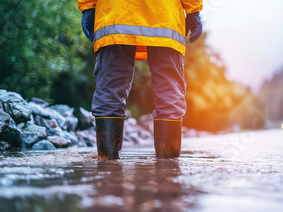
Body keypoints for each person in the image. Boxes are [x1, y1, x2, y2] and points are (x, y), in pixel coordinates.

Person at [77, 0, 203, 159]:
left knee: (110, 89)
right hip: (164, 17)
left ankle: (106, 164)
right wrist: (193, 10)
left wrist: (87, 6)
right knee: (169, 91)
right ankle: (169, 171)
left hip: (116, 16)